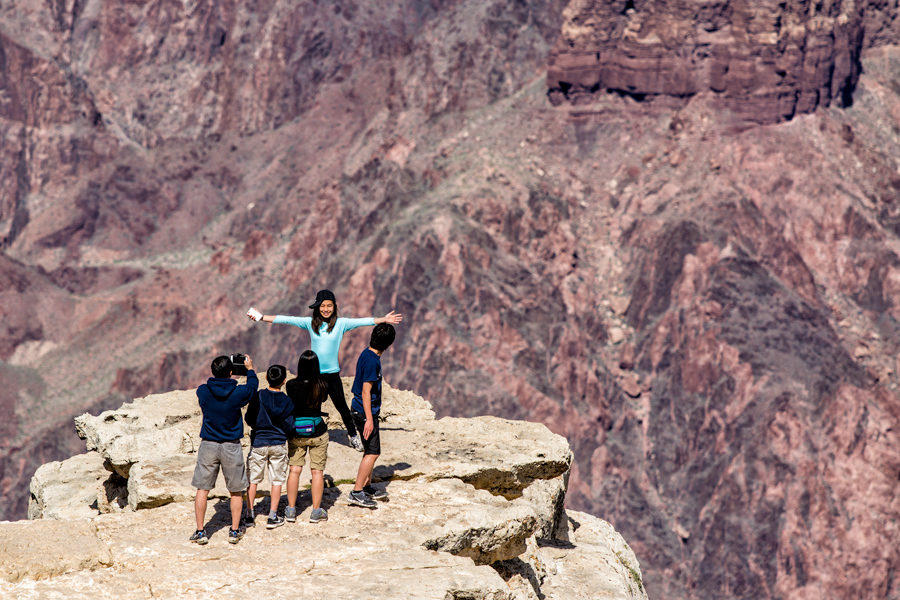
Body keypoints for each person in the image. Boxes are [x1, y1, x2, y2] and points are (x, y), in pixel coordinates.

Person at [246, 290, 402, 452]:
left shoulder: (341, 324)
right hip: (313, 375)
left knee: (341, 406)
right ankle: (296, 432)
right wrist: (262, 317)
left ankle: (353, 436)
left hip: (332, 374)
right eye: (322, 306)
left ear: (334, 307)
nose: (326, 309)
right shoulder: (310, 323)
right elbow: (287, 320)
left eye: (329, 306)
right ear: (317, 307)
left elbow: (362, 321)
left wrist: (383, 319)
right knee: (307, 405)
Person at [190, 355, 258, 545]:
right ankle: (235, 531)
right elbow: (252, 389)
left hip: (208, 445)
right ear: (231, 372)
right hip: (231, 445)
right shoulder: (238, 393)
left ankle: (200, 531)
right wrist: (250, 370)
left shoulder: (202, 391)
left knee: (202, 489)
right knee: (236, 491)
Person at [347, 324, 395, 509]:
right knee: (373, 452)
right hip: (364, 411)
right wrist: (369, 419)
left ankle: (366, 487)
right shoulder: (373, 361)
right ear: (389, 344)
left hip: (362, 410)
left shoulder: (367, 353)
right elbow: (366, 391)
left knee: (369, 451)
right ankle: (357, 492)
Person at [243, 364, 293, 530]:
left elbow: (249, 418)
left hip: (259, 443)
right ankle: (272, 516)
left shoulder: (259, 396)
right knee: (277, 480)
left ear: (266, 378)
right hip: (278, 443)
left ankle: (249, 515)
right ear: (284, 381)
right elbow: (290, 425)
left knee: (253, 480)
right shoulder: (286, 400)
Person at [284, 350, 331, 523]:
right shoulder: (322, 384)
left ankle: (290, 510)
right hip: (318, 430)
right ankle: (316, 511)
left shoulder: (290, 385)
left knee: (294, 470)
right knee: (317, 472)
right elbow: (324, 399)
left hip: (297, 431)